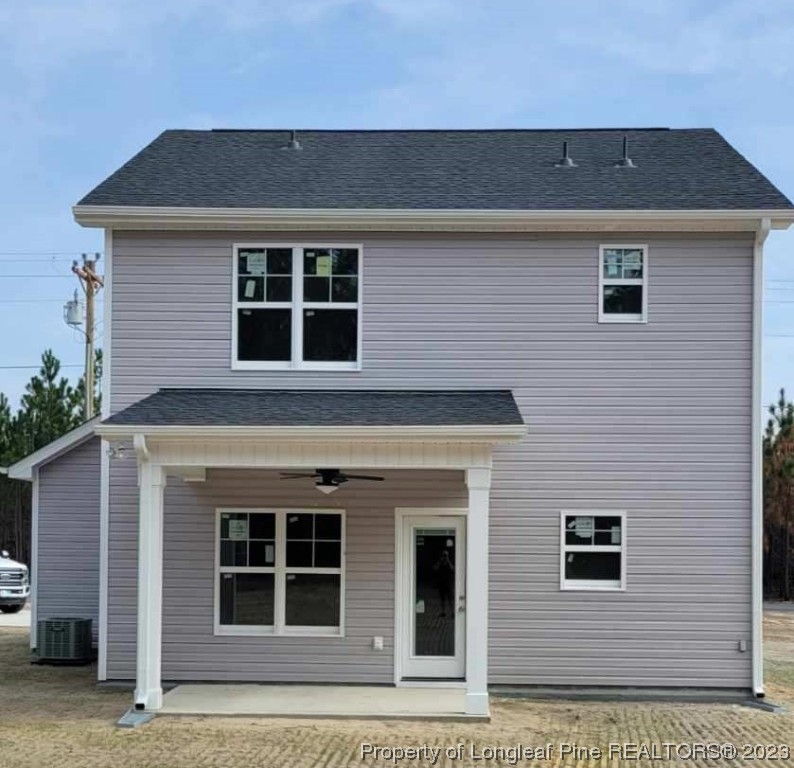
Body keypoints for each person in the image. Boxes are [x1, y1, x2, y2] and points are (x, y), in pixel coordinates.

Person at [433, 549, 455, 617]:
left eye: (446, 555)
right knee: (442, 599)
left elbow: (452, 569)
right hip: (441, 583)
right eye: (444, 555)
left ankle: (453, 612)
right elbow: (435, 568)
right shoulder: (440, 562)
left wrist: (448, 561)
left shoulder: (449, 562)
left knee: (450, 599)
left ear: (448, 556)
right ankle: (443, 612)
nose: (445, 557)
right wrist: (440, 561)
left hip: (448, 583)